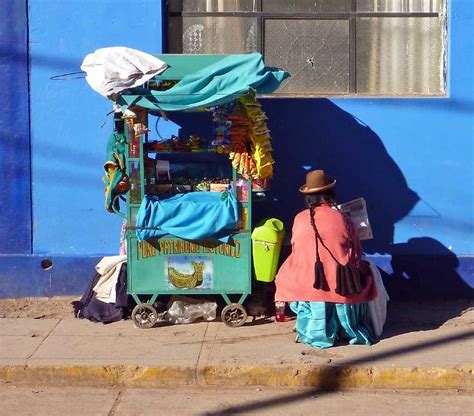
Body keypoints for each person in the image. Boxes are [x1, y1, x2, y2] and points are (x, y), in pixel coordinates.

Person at [274, 169, 377, 348]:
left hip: (307, 283)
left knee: (288, 269)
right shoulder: (344, 220)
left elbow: (297, 248)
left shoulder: (299, 218)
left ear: (309, 198)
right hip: (342, 285)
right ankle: (346, 327)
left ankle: (310, 326)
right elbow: (356, 253)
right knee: (368, 271)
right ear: (330, 195)